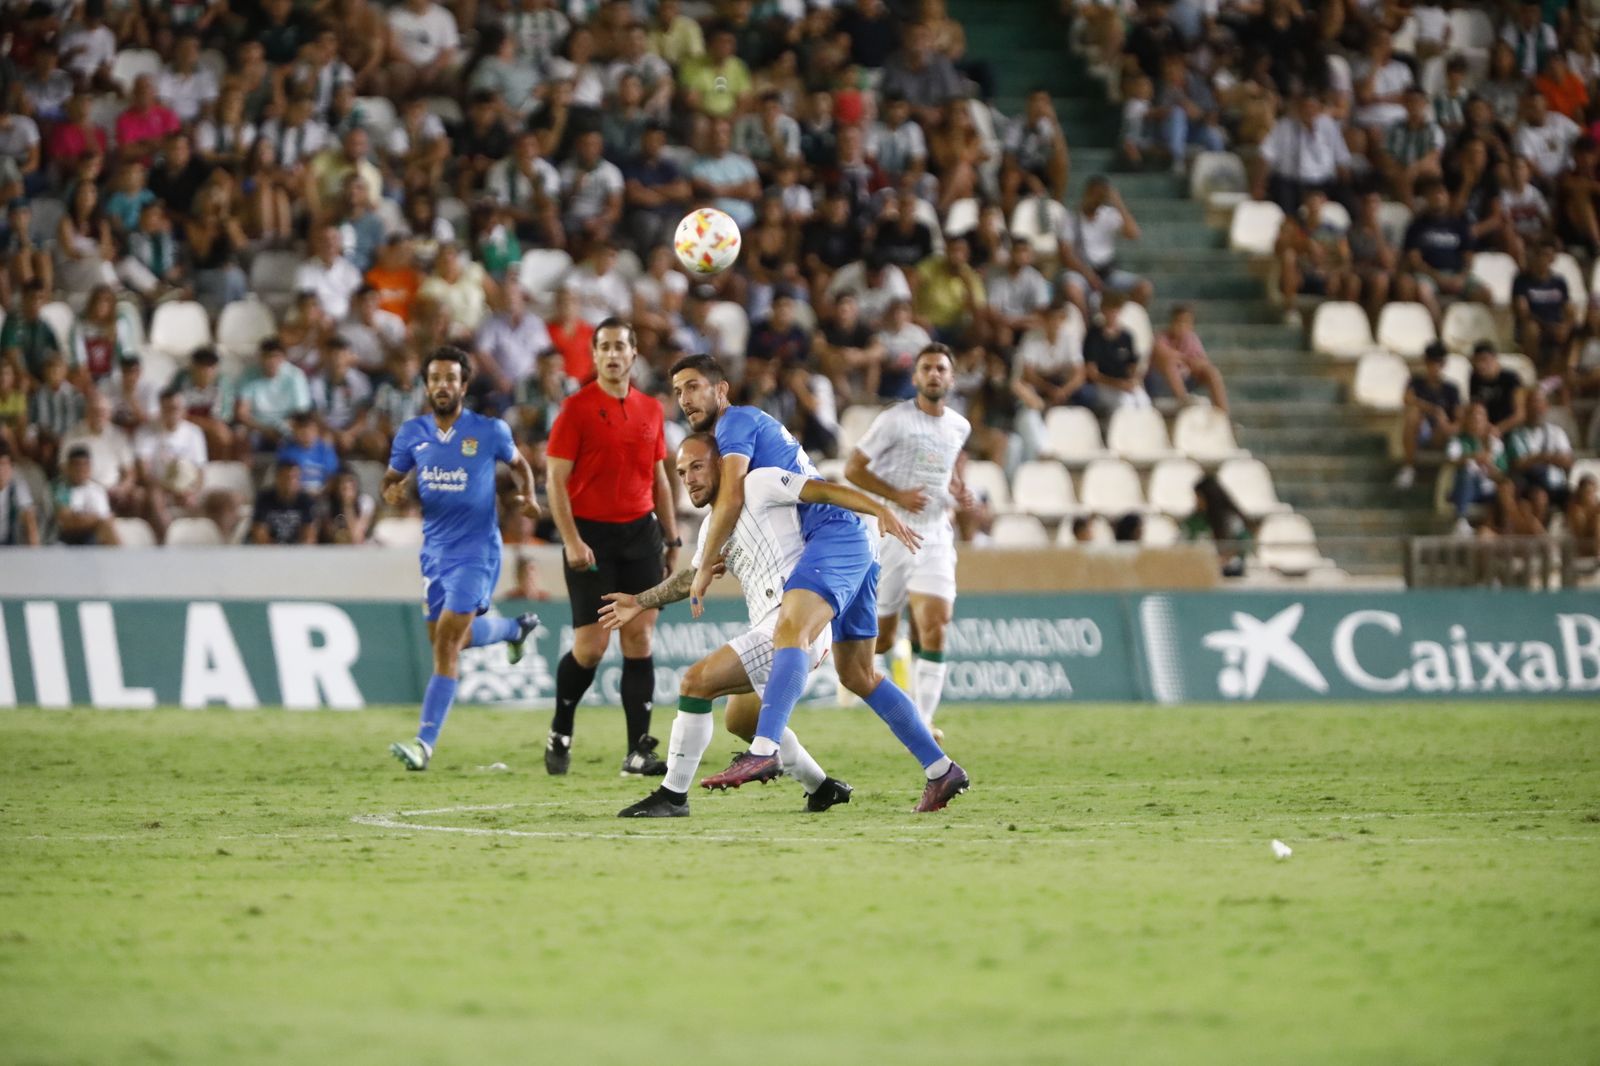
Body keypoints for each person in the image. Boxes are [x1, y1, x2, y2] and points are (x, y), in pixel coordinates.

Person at [670, 354, 969, 812]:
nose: (685, 399)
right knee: (860, 674)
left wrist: (706, 563)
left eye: (693, 387)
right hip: (849, 539)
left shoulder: (734, 423)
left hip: (832, 533)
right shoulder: (746, 429)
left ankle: (764, 751)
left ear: (721, 390)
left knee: (792, 626)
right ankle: (941, 770)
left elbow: (731, 497)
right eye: (678, 391)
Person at [604, 433, 899, 818]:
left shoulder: (758, 483)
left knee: (696, 682)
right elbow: (691, 577)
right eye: (681, 471)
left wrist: (877, 509)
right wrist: (639, 601)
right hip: (768, 625)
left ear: (721, 464)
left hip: (795, 619)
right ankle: (822, 787)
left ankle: (673, 796)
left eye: (697, 466)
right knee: (741, 719)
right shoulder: (714, 525)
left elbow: (823, 491)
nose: (689, 478)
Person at [385, 346, 542, 771]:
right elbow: (391, 479)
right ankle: (515, 628)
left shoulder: (488, 430)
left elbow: (520, 465)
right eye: (435, 378)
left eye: (450, 378)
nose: (442, 385)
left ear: (463, 385)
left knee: (448, 645)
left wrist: (527, 496)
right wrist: (393, 490)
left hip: (477, 552)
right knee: (447, 640)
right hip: (434, 552)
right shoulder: (411, 433)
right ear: (426, 385)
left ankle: (424, 744)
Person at [541, 319, 679, 777]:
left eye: (621, 345)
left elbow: (659, 475)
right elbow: (555, 480)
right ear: (596, 356)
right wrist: (571, 540)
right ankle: (561, 727)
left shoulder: (651, 409)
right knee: (591, 647)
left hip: (642, 534)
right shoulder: (576, 409)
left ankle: (637, 751)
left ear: (634, 354)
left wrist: (672, 537)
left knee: (639, 638)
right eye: (604, 347)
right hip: (591, 538)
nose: (613, 354)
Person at [846, 344, 971, 741]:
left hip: (934, 534)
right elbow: (853, 469)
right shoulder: (894, 421)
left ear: (951, 378)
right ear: (915, 378)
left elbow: (944, 470)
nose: (934, 374)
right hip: (892, 534)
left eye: (941, 368)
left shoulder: (959, 426)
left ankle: (923, 720)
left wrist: (957, 494)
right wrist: (896, 496)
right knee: (880, 639)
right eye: (927, 368)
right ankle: (832, 657)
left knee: (935, 624)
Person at [1395, 342, 1461, 489]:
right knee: (1413, 414)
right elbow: (1408, 399)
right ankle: (1409, 467)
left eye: (1439, 363)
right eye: (1432, 362)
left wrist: (1447, 425)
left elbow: (1458, 416)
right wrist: (1434, 410)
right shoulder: (1415, 382)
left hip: (1442, 433)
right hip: (1421, 430)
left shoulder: (1451, 389)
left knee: (1447, 424)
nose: (1435, 367)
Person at [1445, 401, 1508, 535]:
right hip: (1467, 488)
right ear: (1466, 419)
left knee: (1507, 487)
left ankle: (1508, 529)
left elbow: (1503, 473)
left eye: (1480, 416)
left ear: (1486, 420)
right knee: (1466, 474)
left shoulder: (1495, 443)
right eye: (1473, 416)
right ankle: (1460, 521)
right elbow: (1451, 460)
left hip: (1490, 489)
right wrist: (1474, 457)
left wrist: (1489, 467)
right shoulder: (1457, 440)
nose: (1477, 420)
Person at [1505, 388, 1574, 507]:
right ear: (1526, 407)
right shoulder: (1516, 434)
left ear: (1545, 406)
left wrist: (1535, 459)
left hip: (1556, 485)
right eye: (1532, 403)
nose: (1536, 407)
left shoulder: (1556, 432)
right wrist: (1547, 457)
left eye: (1539, 403)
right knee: (1539, 497)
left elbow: (1568, 461)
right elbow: (1519, 463)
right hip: (1530, 486)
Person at [0, 442, 41, 546]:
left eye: (4, 464)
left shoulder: (17, 487)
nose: (1, 470)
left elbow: (29, 518)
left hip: (8, 544)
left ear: (11, 467)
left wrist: (35, 552)